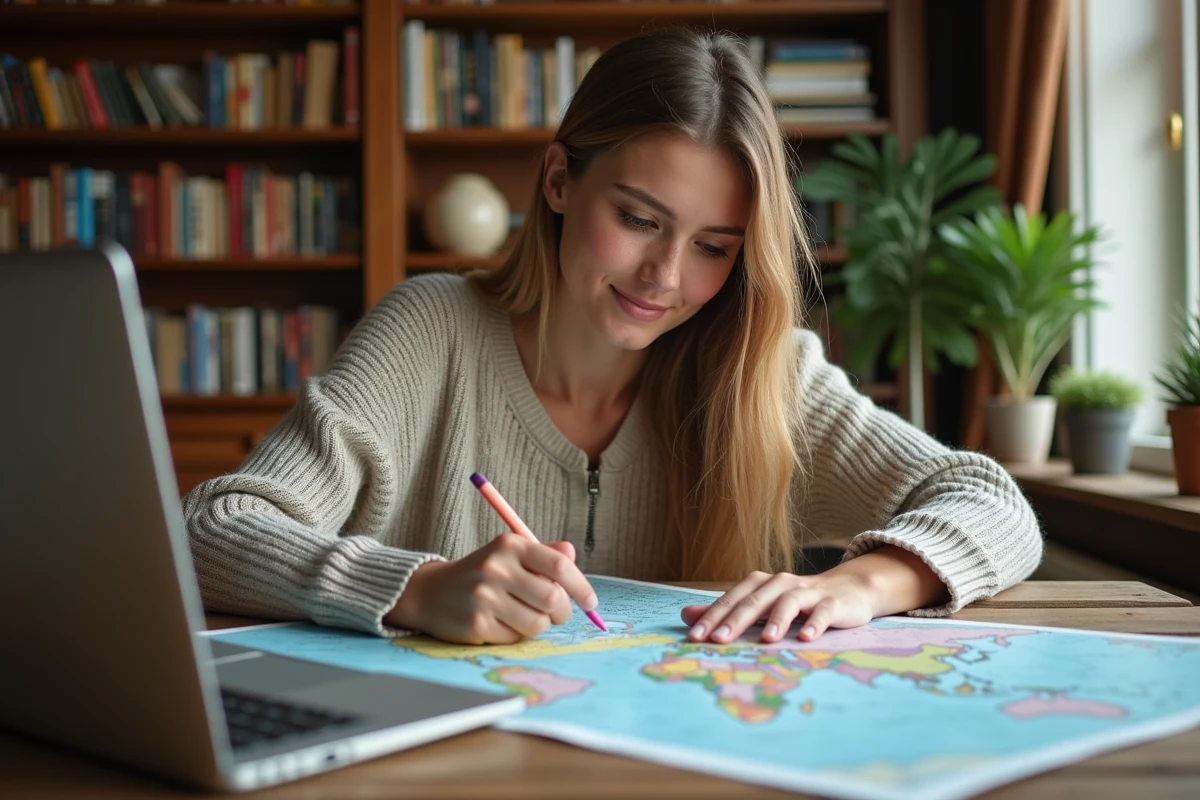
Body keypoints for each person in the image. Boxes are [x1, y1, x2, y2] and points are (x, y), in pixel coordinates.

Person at [183, 27, 1043, 648]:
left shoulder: (765, 373)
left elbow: (993, 502)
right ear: (560, 180)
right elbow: (214, 527)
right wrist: (416, 587)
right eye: (638, 219)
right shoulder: (430, 330)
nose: (664, 276)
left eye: (714, 247)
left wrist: (864, 582)